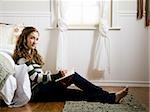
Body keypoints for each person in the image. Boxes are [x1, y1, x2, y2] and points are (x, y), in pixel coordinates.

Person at [12, 26, 128, 103]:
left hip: (44, 90)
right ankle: (109, 96)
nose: (35, 41)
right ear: (24, 38)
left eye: (37, 39)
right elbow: (36, 78)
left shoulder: (31, 56)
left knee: (78, 94)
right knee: (73, 76)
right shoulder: (22, 59)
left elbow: (40, 76)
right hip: (38, 93)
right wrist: (57, 76)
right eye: (32, 38)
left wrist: (54, 77)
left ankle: (112, 98)